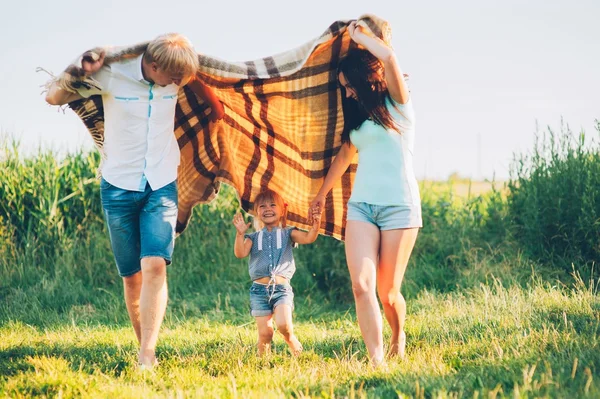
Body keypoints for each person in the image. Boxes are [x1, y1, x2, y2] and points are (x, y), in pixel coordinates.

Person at [45, 33, 224, 369]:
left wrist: (212, 105)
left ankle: (147, 353)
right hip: (117, 186)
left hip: (161, 183)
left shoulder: (176, 76)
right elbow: (54, 97)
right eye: (173, 77)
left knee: (155, 265)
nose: (178, 83)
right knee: (131, 277)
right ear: (153, 65)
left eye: (181, 79)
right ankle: (143, 343)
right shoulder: (112, 74)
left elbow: (197, 84)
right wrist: (79, 68)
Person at [309, 21, 421, 367]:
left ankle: (397, 335)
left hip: (400, 209)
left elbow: (388, 57)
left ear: (364, 79)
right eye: (344, 89)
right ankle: (376, 359)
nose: (349, 93)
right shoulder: (357, 123)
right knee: (361, 284)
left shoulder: (400, 106)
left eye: (351, 86)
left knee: (388, 293)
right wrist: (321, 194)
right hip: (361, 209)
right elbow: (344, 157)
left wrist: (358, 38)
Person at [233, 189, 322, 356]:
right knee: (265, 333)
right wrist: (240, 234)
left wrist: (315, 225)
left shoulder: (289, 233)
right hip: (259, 291)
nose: (268, 209)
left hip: (282, 290)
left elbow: (309, 238)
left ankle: (290, 339)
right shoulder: (252, 237)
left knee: (284, 326)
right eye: (262, 206)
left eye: (273, 205)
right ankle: (262, 363)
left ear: (282, 211)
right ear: (257, 212)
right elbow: (240, 253)